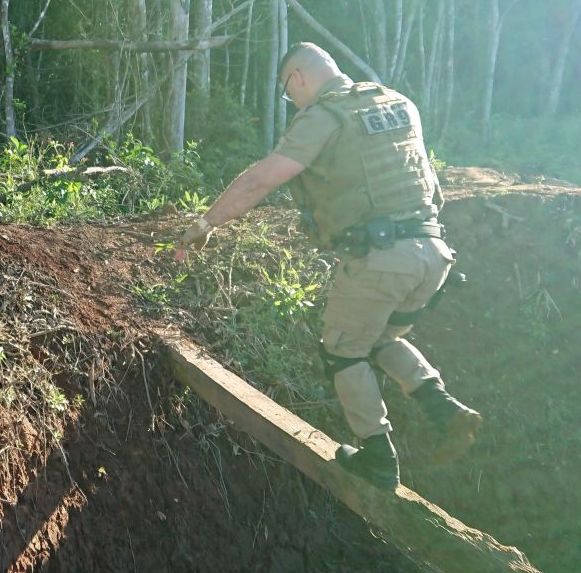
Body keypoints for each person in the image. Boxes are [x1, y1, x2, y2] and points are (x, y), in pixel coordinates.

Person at [175, 42, 481, 489]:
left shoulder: (325, 116)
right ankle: (445, 409)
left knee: (341, 351)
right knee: (378, 338)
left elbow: (263, 178)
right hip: (433, 255)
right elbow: (430, 187)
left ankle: (377, 454)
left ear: (297, 77)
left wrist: (206, 221)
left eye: (287, 92)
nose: (291, 102)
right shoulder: (398, 104)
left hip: (382, 259)